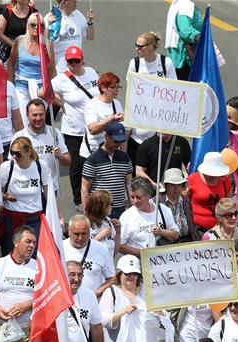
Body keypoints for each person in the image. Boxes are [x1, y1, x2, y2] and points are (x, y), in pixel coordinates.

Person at [51, 46, 98, 208]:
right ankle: (79, 200)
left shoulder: (91, 72)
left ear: (82, 59)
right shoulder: (61, 79)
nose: (73, 64)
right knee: (76, 165)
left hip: (94, 127)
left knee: (94, 162)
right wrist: (59, 101)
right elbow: (42, 92)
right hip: (74, 130)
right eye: (70, 61)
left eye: (76, 60)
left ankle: (94, 195)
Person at [127, 30, 176, 164]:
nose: (136, 49)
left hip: (159, 121)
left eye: (140, 46)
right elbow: (131, 91)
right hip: (140, 120)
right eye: (136, 45)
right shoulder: (135, 64)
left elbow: (174, 90)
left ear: (150, 47)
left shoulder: (166, 63)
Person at [0, 135, 51, 254]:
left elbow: (49, 193)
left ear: (29, 152)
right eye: (12, 153)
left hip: (34, 217)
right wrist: (6, 197)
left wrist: (59, 216)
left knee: (34, 253)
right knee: (10, 253)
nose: (14, 157)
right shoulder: (7, 167)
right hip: (12, 217)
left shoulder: (40, 165)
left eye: (18, 153)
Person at [12, 98, 70, 199]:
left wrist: (60, 156)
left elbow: (67, 162)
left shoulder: (54, 133)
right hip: (28, 191)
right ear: (27, 115)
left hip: (51, 189)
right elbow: (12, 166)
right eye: (34, 115)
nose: (38, 118)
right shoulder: (19, 136)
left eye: (41, 114)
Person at [81, 120, 132, 218]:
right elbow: (84, 188)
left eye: (120, 141)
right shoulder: (93, 160)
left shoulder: (125, 158)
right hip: (99, 210)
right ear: (106, 136)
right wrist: (86, 212)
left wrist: (132, 209)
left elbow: (129, 185)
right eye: (115, 141)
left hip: (120, 209)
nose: (118, 144)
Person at [118, 176, 179, 255]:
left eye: (138, 197)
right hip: (138, 261)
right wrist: (143, 254)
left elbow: (175, 235)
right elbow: (120, 245)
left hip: (162, 259)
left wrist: (162, 232)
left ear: (148, 195)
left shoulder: (163, 210)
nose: (135, 201)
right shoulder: (127, 216)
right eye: (132, 197)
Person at [7, 13, 55, 110]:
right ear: (28, 26)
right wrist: (10, 86)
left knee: (37, 118)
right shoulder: (19, 40)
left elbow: (52, 70)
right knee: (23, 121)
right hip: (21, 85)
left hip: (41, 88)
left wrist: (51, 89)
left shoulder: (47, 44)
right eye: (33, 24)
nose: (37, 27)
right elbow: (11, 65)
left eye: (41, 25)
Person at [63, 214, 114, 297]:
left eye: (84, 234)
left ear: (89, 231)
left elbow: (112, 278)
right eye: (76, 234)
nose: (80, 238)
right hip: (65, 302)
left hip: (93, 304)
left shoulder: (101, 249)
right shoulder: (59, 248)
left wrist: (95, 294)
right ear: (69, 231)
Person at [187, 151, 232, 236]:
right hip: (197, 229)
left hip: (220, 228)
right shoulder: (192, 179)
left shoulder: (225, 180)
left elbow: (229, 204)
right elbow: (183, 203)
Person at [46, 0, 94, 71]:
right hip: (59, 69)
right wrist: (49, 25)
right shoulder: (51, 17)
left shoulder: (78, 15)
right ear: (64, 2)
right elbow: (44, 42)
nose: (76, 1)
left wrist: (90, 22)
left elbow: (90, 37)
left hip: (77, 64)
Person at [164, 0, 202, 81]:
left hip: (183, 56)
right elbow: (185, 31)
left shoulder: (183, 4)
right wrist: (202, 37)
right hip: (185, 57)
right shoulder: (185, 5)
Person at [159, 167, 197, 242]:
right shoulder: (157, 203)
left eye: (179, 185)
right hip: (166, 243)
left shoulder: (186, 201)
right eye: (172, 185)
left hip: (187, 241)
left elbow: (192, 225)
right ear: (166, 186)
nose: (176, 189)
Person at [84, 189, 120, 256]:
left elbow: (115, 251)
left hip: (108, 263)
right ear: (101, 206)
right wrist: (99, 237)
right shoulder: (85, 223)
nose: (112, 206)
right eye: (111, 204)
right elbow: (83, 249)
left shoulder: (108, 221)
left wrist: (118, 232)